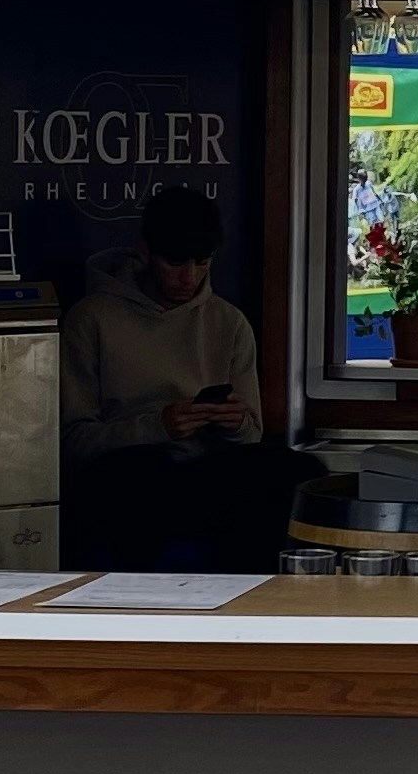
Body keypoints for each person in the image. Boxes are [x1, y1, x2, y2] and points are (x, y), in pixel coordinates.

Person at [58, 188, 293, 568]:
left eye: (202, 262)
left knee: (290, 469)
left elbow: (253, 434)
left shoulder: (227, 322)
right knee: (140, 477)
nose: (190, 277)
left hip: (203, 469)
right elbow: (74, 443)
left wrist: (233, 423)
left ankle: (254, 604)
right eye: (176, 263)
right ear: (146, 253)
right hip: (126, 471)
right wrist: (159, 426)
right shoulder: (91, 319)